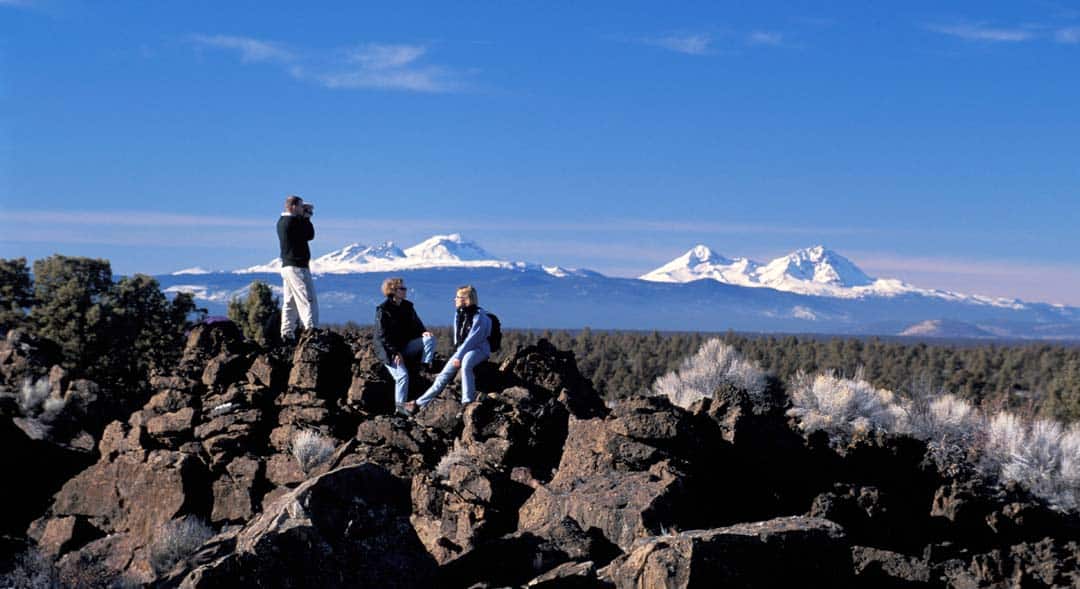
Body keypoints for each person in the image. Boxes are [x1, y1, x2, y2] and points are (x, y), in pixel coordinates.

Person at [409, 285, 490, 413]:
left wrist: (459, 356)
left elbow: (473, 339)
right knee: (443, 376)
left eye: (457, 297)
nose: (454, 299)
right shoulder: (459, 314)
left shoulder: (479, 316)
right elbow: (459, 338)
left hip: (478, 349)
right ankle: (418, 403)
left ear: (466, 299)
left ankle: (467, 401)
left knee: (466, 364)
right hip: (463, 349)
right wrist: (458, 353)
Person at [374, 277, 437, 416]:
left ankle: (425, 365)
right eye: (402, 288)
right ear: (393, 291)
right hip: (388, 351)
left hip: (405, 347)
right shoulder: (383, 310)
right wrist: (395, 353)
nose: (405, 290)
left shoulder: (408, 307)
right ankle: (400, 408)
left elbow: (418, 324)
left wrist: (424, 332)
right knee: (402, 376)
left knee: (429, 339)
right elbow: (382, 336)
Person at [278, 194, 318, 343]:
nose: (303, 209)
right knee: (307, 299)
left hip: (287, 267)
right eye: (301, 206)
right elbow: (309, 234)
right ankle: (312, 330)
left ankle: (287, 332)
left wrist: (303, 216)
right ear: (294, 207)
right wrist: (307, 217)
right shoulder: (292, 222)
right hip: (297, 267)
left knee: (290, 302)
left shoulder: (282, 222)